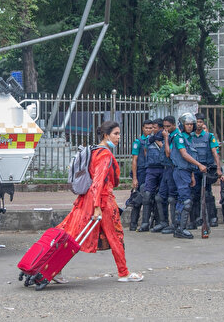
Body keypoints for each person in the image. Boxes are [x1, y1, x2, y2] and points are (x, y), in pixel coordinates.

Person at [54, 121, 144, 283]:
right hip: (102, 201)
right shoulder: (104, 155)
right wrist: (97, 207)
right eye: (115, 134)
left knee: (72, 236)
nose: (119, 137)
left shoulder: (93, 151)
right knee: (116, 236)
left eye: (119, 133)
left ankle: (54, 268)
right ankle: (123, 273)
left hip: (85, 200)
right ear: (105, 135)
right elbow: (98, 181)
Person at [188, 112, 222, 229]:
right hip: (194, 169)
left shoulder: (209, 136)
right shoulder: (189, 136)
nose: (198, 124)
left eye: (201, 122)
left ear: (203, 124)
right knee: (195, 194)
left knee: (207, 194)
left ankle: (212, 217)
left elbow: (215, 152)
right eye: (197, 121)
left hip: (206, 169)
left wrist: (218, 168)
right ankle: (196, 218)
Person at [169, 114, 201, 239]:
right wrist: (199, 165)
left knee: (183, 200)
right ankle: (181, 228)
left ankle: (178, 227)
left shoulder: (189, 138)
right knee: (185, 201)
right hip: (180, 172)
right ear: (182, 125)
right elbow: (183, 154)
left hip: (187, 171)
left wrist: (192, 174)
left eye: (191, 124)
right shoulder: (179, 137)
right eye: (187, 124)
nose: (190, 126)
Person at [138, 120, 167, 232]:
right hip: (151, 169)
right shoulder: (149, 140)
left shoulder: (165, 139)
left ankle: (161, 222)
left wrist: (161, 143)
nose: (152, 130)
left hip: (162, 169)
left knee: (160, 197)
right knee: (147, 195)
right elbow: (145, 152)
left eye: (154, 128)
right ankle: (145, 223)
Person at [128, 120, 152, 231]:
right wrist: (134, 177)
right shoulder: (138, 142)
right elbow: (134, 160)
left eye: (150, 128)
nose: (149, 130)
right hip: (141, 172)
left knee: (148, 198)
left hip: (151, 172)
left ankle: (146, 224)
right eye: (147, 128)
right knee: (138, 198)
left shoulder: (153, 141)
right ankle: (133, 224)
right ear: (143, 128)